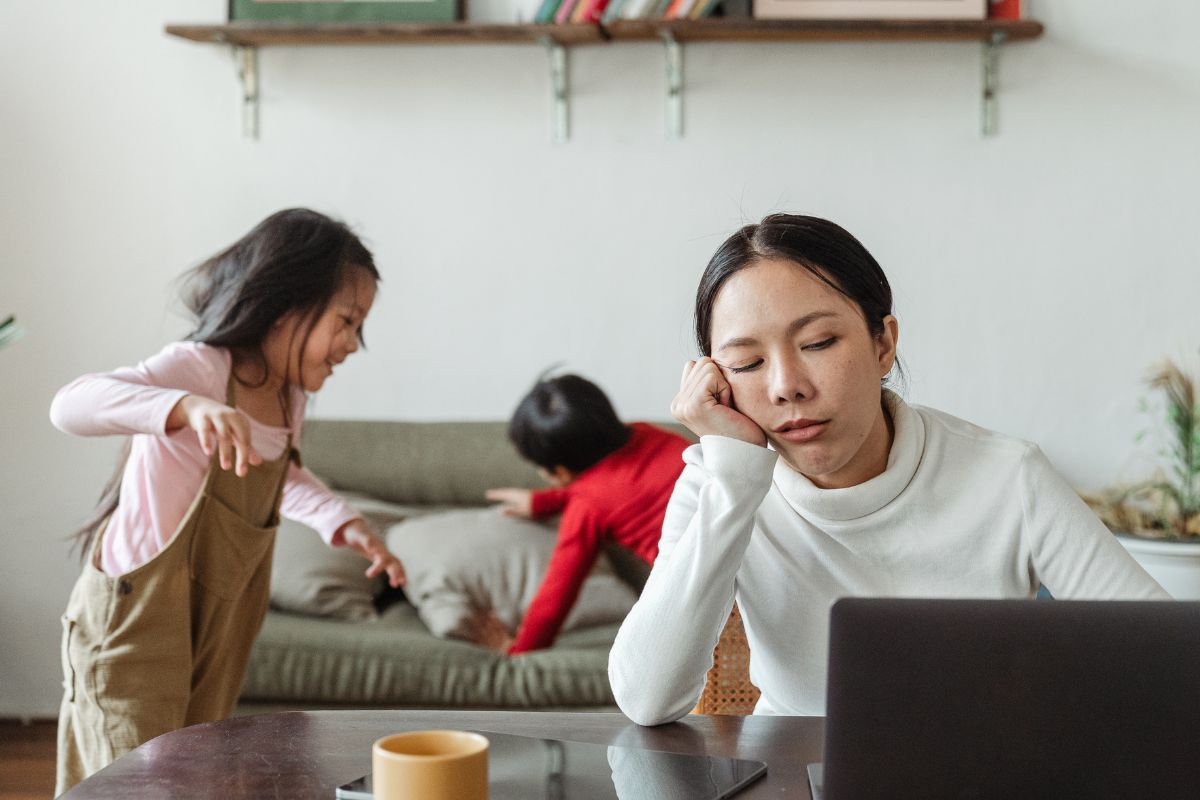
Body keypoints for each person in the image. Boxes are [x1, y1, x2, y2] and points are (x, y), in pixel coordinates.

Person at [608, 213, 1170, 726]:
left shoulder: (1006, 475)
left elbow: (1165, 656)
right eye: (747, 363)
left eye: (818, 341)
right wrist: (734, 476)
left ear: (883, 344)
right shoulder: (721, 480)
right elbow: (647, 698)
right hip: (792, 774)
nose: (786, 386)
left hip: (977, 772)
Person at [50, 208, 406, 792]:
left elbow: (279, 476)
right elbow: (69, 405)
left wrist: (345, 523)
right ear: (285, 307)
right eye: (345, 321)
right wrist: (185, 406)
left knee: (192, 773)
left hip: (217, 623)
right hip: (135, 621)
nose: (352, 344)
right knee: (131, 780)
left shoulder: (287, 396)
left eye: (359, 327)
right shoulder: (198, 369)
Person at [483, 374, 690, 654]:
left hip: (699, 593)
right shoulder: (648, 433)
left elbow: (556, 594)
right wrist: (544, 501)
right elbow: (621, 483)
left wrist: (520, 649)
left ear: (560, 472)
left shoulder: (586, 508)